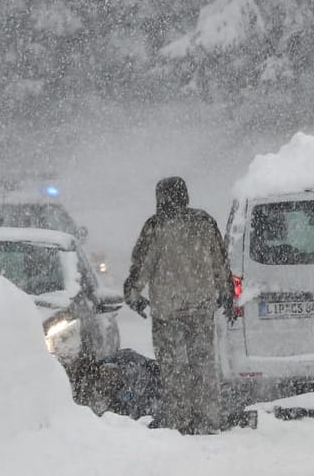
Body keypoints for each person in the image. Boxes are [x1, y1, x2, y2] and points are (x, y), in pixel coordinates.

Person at [124, 176, 232, 434]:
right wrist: (226, 292)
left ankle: (178, 420)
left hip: (167, 310)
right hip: (200, 305)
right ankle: (207, 419)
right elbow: (220, 262)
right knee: (203, 364)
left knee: (173, 369)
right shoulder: (204, 222)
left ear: (161, 198)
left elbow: (142, 266)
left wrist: (133, 295)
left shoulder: (155, 226)